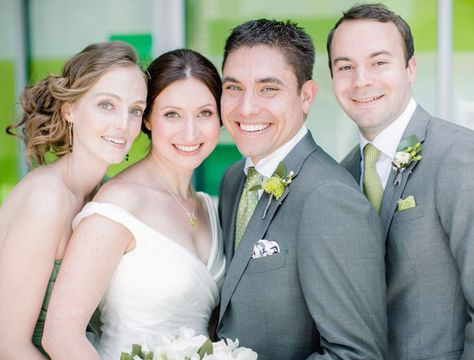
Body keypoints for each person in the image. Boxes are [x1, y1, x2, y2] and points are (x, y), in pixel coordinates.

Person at [217, 19, 387, 359]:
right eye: (233, 88)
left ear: (306, 96)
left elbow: (356, 354)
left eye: (268, 89)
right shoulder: (234, 179)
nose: (246, 107)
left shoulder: (329, 198)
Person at [42, 49, 225, 360]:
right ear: (148, 119)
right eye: (172, 114)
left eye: (205, 113)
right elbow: (60, 337)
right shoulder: (119, 203)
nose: (191, 131)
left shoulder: (208, 206)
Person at [327, 3, 474, 359]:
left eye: (379, 62)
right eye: (345, 66)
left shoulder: (458, 156)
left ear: (410, 68)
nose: (361, 80)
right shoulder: (340, 177)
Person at [0, 41, 146, 359]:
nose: (123, 124)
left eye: (135, 110)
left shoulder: (102, 194)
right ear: (70, 110)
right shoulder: (47, 200)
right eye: (107, 104)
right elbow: (8, 344)